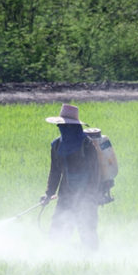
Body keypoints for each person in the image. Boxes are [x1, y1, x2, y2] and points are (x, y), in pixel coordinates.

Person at [40, 104, 101, 250]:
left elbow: (95, 172)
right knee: (58, 229)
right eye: (61, 126)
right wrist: (48, 193)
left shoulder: (87, 145)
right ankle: (57, 260)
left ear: (74, 127)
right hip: (65, 195)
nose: (63, 129)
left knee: (87, 230)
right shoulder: (56, 146)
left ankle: (92, 261)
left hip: (86, 195)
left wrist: (91, 197)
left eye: (67, 126)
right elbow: (55, 171)